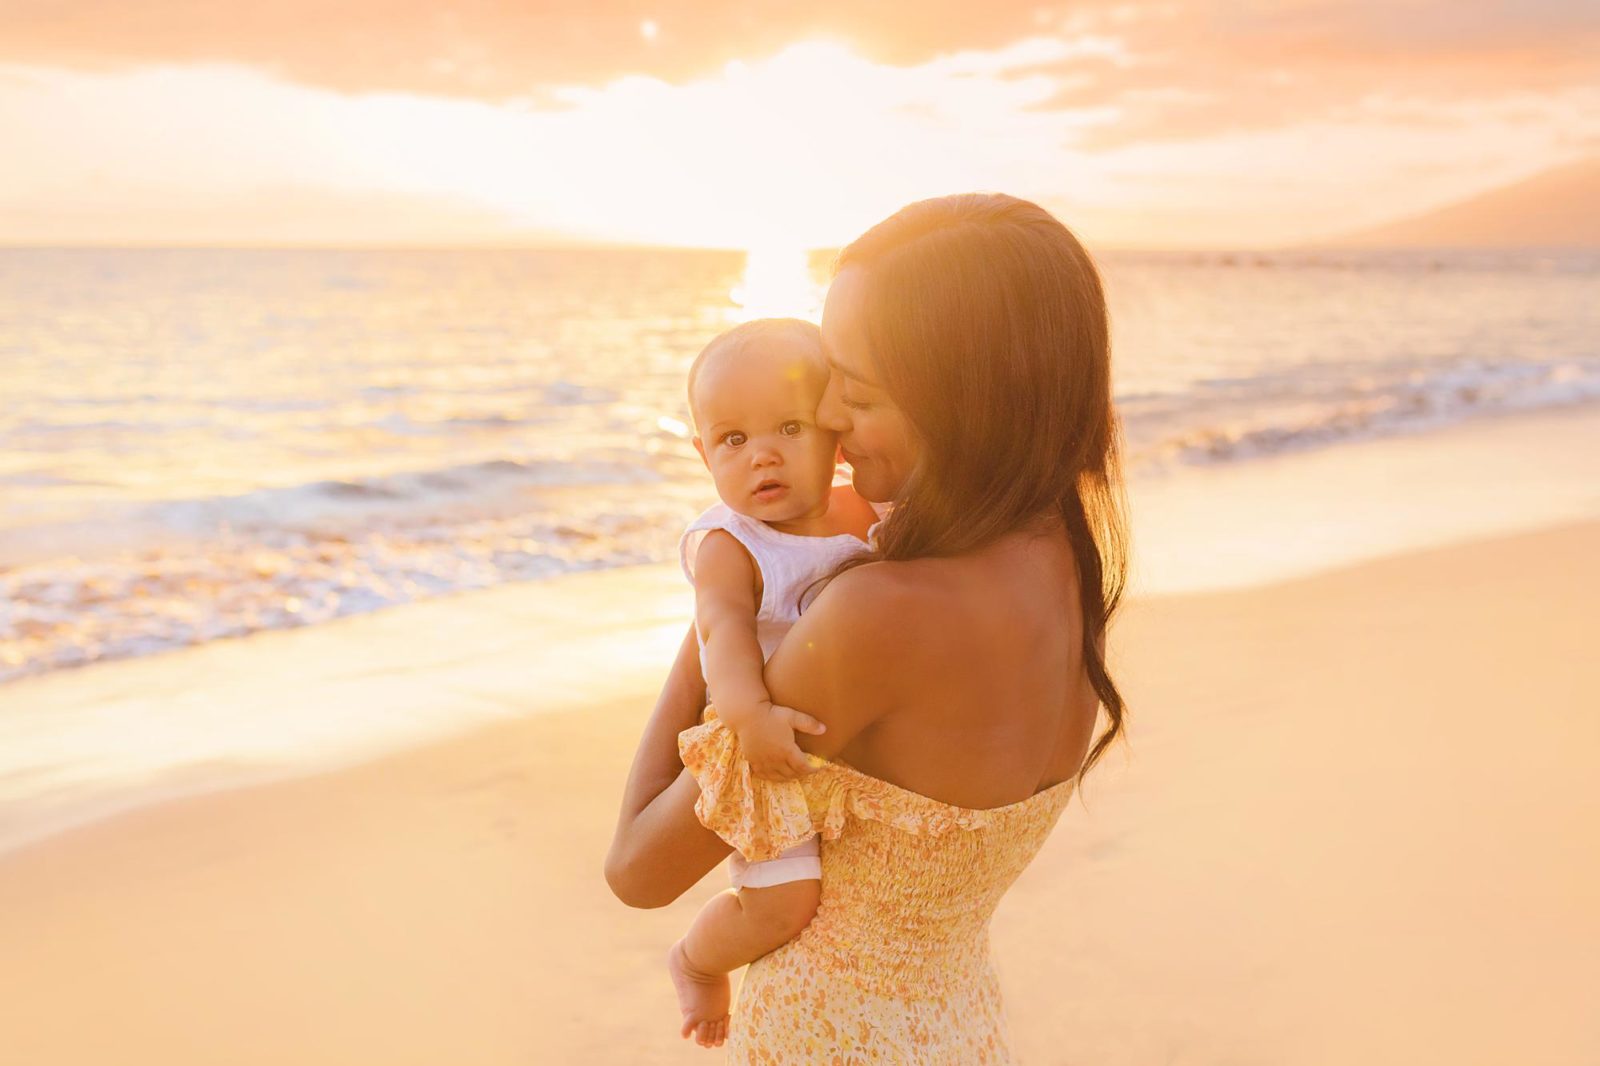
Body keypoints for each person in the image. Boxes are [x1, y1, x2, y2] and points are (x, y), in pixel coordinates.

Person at [606, 192, 1131, 1062]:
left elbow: (637, 868)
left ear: (962, 400)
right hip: (960, 1032)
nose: (831, 424)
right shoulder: (1067, 561)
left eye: (854, 392)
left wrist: (723, 593)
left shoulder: (879, 613)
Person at [664, 317, 880, 1047]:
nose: (761, 455)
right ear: (703, 454)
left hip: (851, 742)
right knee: (783, 903)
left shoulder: (868, 513)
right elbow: (720, 633)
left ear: (833, 433)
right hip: (767, 748)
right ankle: (697, 960)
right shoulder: (732, 543)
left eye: (787, 427)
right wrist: (750, 715)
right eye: (731, 439)